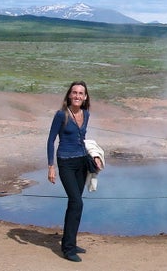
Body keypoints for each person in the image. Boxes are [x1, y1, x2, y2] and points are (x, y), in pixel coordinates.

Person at [46, 81, 99, 262]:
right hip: (66, 163)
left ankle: (70, 242)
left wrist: (94, 157)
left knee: (74, 203)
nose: (77, 96)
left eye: (81, 93)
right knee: (77, 203)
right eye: (74, 92)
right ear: (69, 95)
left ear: (85, 97)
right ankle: (68, 249)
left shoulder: (86, 114)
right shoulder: (61, 115)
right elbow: (51, 140)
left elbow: (82, 139)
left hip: (81, 162)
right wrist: (51, 166)